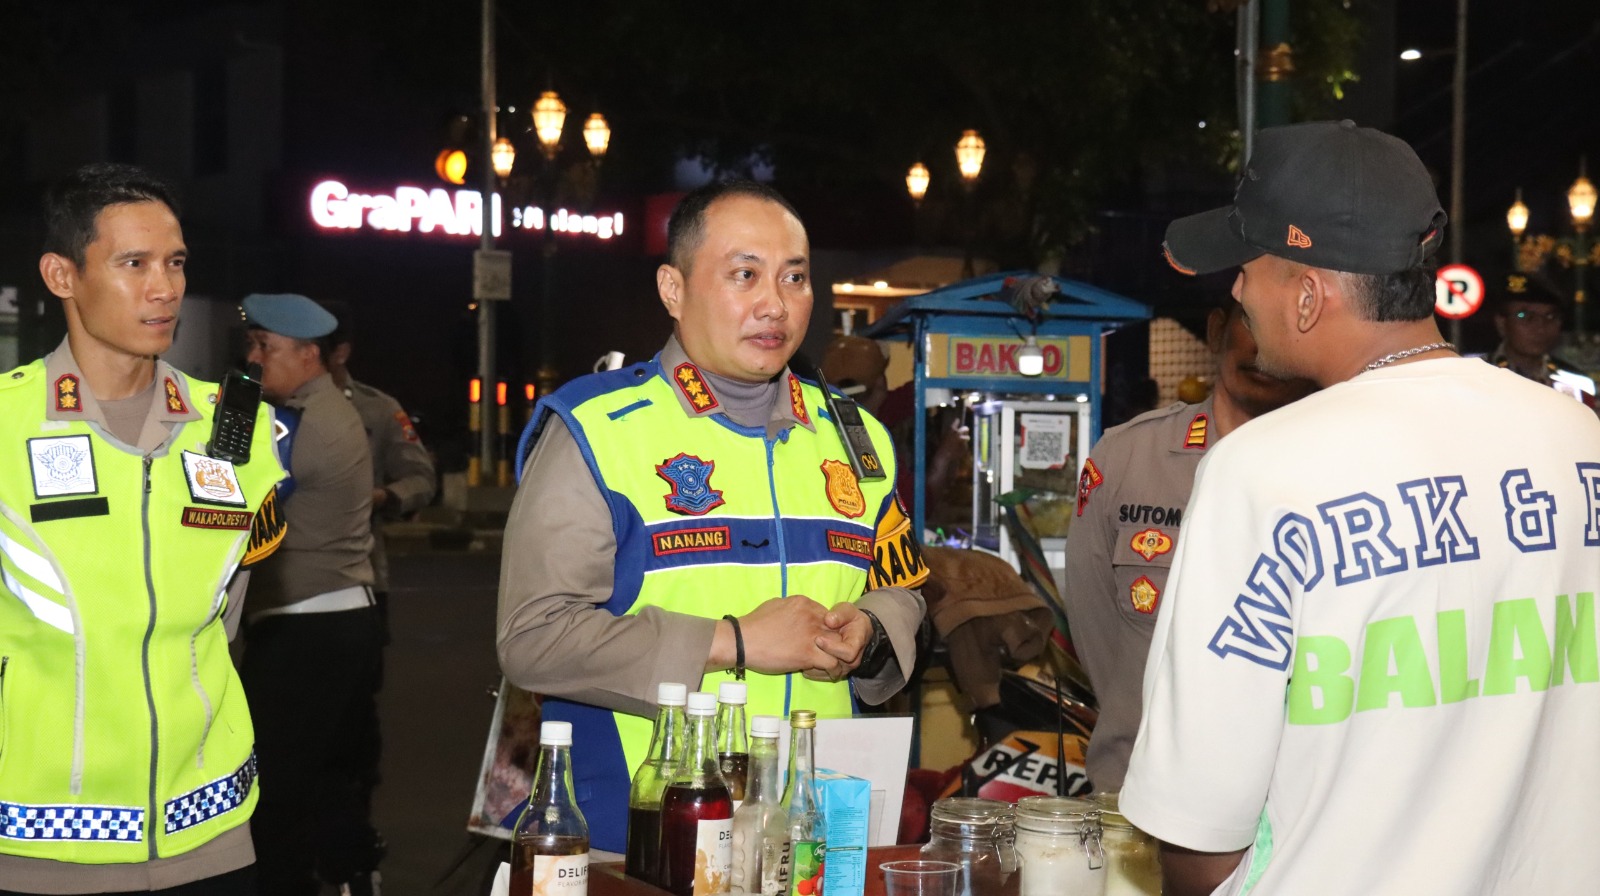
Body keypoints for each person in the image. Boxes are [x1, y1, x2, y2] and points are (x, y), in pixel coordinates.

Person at [1120, 120, 1600, 895]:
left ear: (1308, 295)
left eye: (1247, 268)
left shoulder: (1265, 471)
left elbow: (1198, 831)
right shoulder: (1580, 439)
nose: (1236, 291)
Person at [496, 180, 928, 853]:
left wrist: (871, 630)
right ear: (673, 290)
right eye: (744, 275)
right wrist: (734, 642)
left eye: (794, 278)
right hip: (641, 830)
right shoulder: (597, 429)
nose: (774, 303)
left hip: (812, 831)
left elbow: (904, 590)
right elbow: (534, 637)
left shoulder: (857, 439)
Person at [0, 163, 284, 894]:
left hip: (211, 833)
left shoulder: (239, 429)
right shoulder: (5, 425)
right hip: (37, 842)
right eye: (133, 264)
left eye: (175, 262)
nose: (165, 288)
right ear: (62, 275)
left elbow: (229, 619)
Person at [1063, 300, 1313, 792]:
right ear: (1217, 329)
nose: (1263, 348)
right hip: (1140, 790)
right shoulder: (1129, 458)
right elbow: (1096, 632)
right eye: (1251, 320)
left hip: (1287, 800)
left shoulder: (1344, 464)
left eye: (1286, 324)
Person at [237, 294, 383, 896]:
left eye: (265, 347)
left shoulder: (303, 424)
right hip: (336, 621)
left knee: (274, 789)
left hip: (307, 630)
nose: (253, 358)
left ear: (307, 354)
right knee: (324, 777)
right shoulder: (321, 410)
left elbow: (235, 504)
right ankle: (352, 873)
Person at [1484, 274, 1597, 404]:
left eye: (1550, 316)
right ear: (1501, 323)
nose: (1540, 328)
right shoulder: (1479, 373)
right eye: (1525, 316)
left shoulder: (1576, 382)